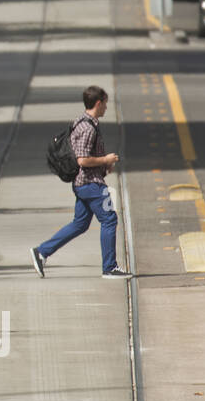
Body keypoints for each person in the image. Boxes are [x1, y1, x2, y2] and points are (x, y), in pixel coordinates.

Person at [30, 86, 131, 279]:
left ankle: (42, 252)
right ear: (98, 103)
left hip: (84, 183)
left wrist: (103, 166)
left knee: (80, 224)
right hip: (90, 184)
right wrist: (105, 160)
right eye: (105, 104)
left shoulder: (82, 121)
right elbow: (82, 159)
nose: (106, 108)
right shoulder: (87, 128)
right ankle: (109, 267)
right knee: (109, 219)